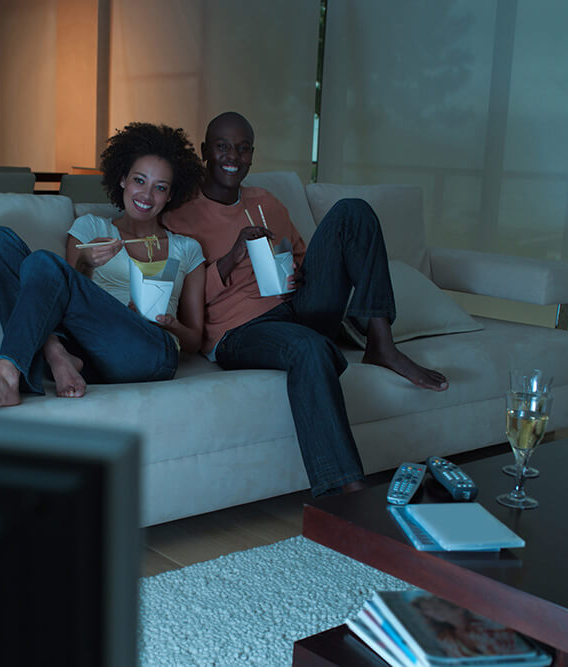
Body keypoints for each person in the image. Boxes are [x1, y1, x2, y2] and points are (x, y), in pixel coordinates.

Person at [162, 111, 448, 496]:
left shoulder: (267, 201)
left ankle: (381, 342)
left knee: (353, 212)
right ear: (205, 152)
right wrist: (233, 255)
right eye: (223, 147)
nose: (234, 156)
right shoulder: (179, 216)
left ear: (252, 155)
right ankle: (344, 490)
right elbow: (183, 304)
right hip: (241, 332)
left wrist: (296, 272)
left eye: (243, 148)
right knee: (309, 349)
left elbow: (300, 257)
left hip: (296, 307)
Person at [0, 122, 207, 413]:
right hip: (86, 357)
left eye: (160, 188)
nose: (147, 195)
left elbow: (195, 340)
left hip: (147, 352)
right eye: (139, 180)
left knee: (43, 262)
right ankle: (57, 352)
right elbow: (62, 297)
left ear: (171, 195)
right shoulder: (89, 227)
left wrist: (169, 323)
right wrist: (86, 263)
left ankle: (9, 370)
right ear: (123, 178)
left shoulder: (187, 248)